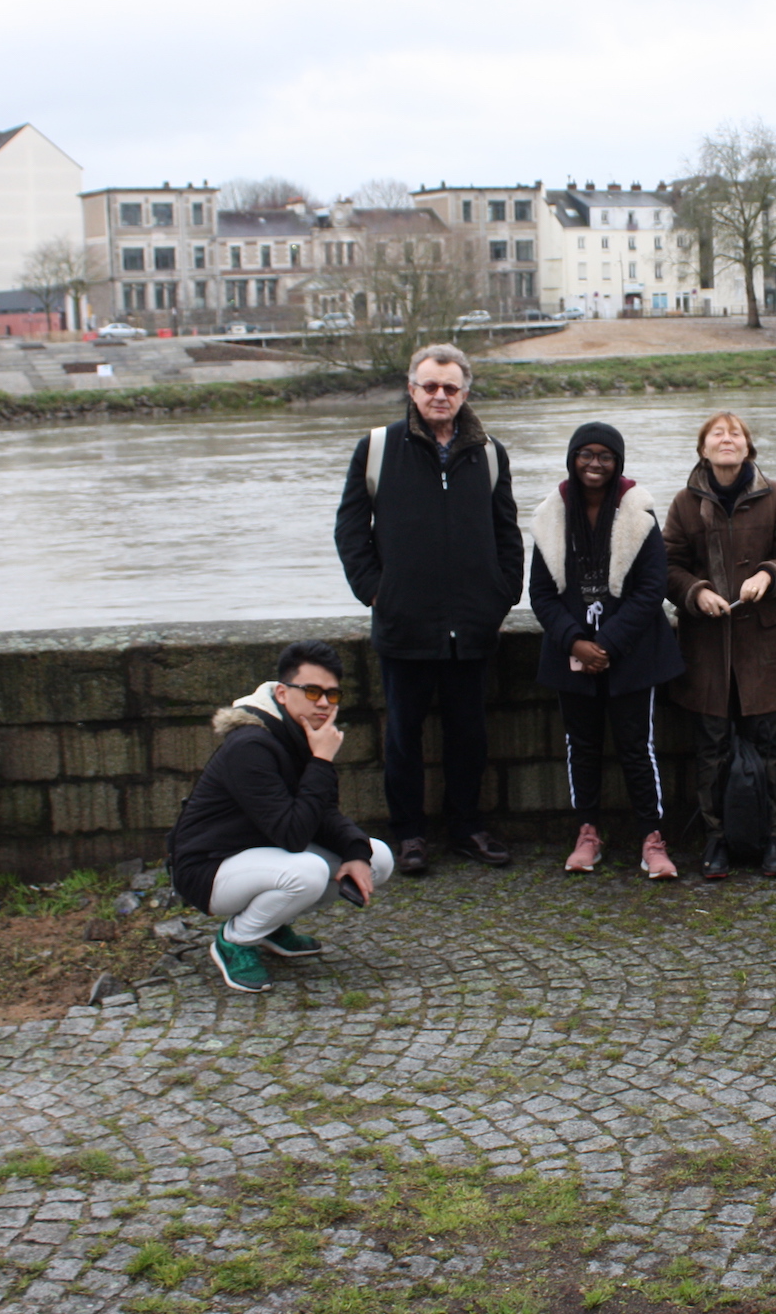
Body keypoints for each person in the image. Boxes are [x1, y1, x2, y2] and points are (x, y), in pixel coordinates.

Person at [335, 343, 523, 873]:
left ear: (465, 392)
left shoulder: (488, 452)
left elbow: (506, 531)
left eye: (451, 387)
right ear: (412, 390)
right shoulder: (376, 448)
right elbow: (351, 532)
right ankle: (409, 835)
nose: (440, 395)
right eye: (430, 386)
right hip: (404, 623)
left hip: (471, 624)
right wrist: (377, 591)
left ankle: (467, 827)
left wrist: (502, 593)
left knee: (470, 735)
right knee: (403, 736)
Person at [167, 639, 394, 994]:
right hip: (207, 869)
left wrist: (354, 852)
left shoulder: (302, 735)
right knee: (308, 872)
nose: (323, 703)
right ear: (283, 693)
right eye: (312, 691)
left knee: (376, 857)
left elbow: (322, 814)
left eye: (332, 695)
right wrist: (321, 761)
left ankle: (271, 925)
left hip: (261, 855)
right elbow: (292, 833)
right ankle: (235, 941)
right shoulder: (251, 746)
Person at [528, 421, 684, 879]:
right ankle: (587, 832)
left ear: (618, 463)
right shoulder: (550, 516)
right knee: (582, 745)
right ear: (572, 459)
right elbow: (540, 593)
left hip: (633, 651)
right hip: (569, 650)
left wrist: (608, 642)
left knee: (639, 747)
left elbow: (652, 588)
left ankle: (653, 839)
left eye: (605, 456)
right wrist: (575, 641)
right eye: (586, 454)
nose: (595, 464)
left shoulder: (640, 514)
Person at [663, 411, 776, 879]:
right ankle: (717, 838)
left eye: (735, 434)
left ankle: (773, 837)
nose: (727, 440)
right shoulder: (686, 503)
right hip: (706, 645)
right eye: (717, 434)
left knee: (767, 743)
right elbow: (667, 566)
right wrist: (696, 592)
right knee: (710, 747)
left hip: (762, 643)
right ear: (703, 449)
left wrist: (769, 574)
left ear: (749, 448)